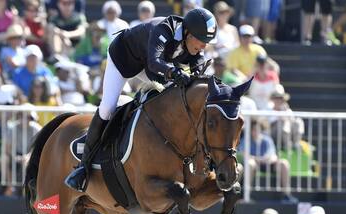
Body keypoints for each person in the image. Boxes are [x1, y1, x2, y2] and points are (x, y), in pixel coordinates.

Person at [65, 8, 218, 192]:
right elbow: (154, 61)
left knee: (175, 97)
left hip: (151, 67)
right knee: (107, 108)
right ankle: (83, 167)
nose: (203, 47)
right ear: (188, 33)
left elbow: (197, 67)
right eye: (202, 41)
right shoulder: (163, 29)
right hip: (124, 60)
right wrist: (172, 72)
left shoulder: (194, 46)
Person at [239, 119, 297, 202]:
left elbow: (273, 156)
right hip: (254, 165)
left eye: (257, 129)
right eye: (253, 129)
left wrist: (266, 159)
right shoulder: (245, 140)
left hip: (268, 164)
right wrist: (258, 159)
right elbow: (244, 155)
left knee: (284, 163)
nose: (255, 131)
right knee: (250, 164)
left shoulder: (267, 140)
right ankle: (246, 196)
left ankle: (286, 195)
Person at [268, 84, 304, 150]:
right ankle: (287, 146)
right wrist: (283, 118)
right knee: (284, 123)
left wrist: (285, 112)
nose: (278, 100)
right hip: (274, 134)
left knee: (299, 121)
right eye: (276, 98)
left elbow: (293, 120)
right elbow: (268, 123)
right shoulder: (268, 109)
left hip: (288, 132)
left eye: (280, 98)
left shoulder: (287, 110)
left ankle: (296, 143)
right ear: (273, 99)